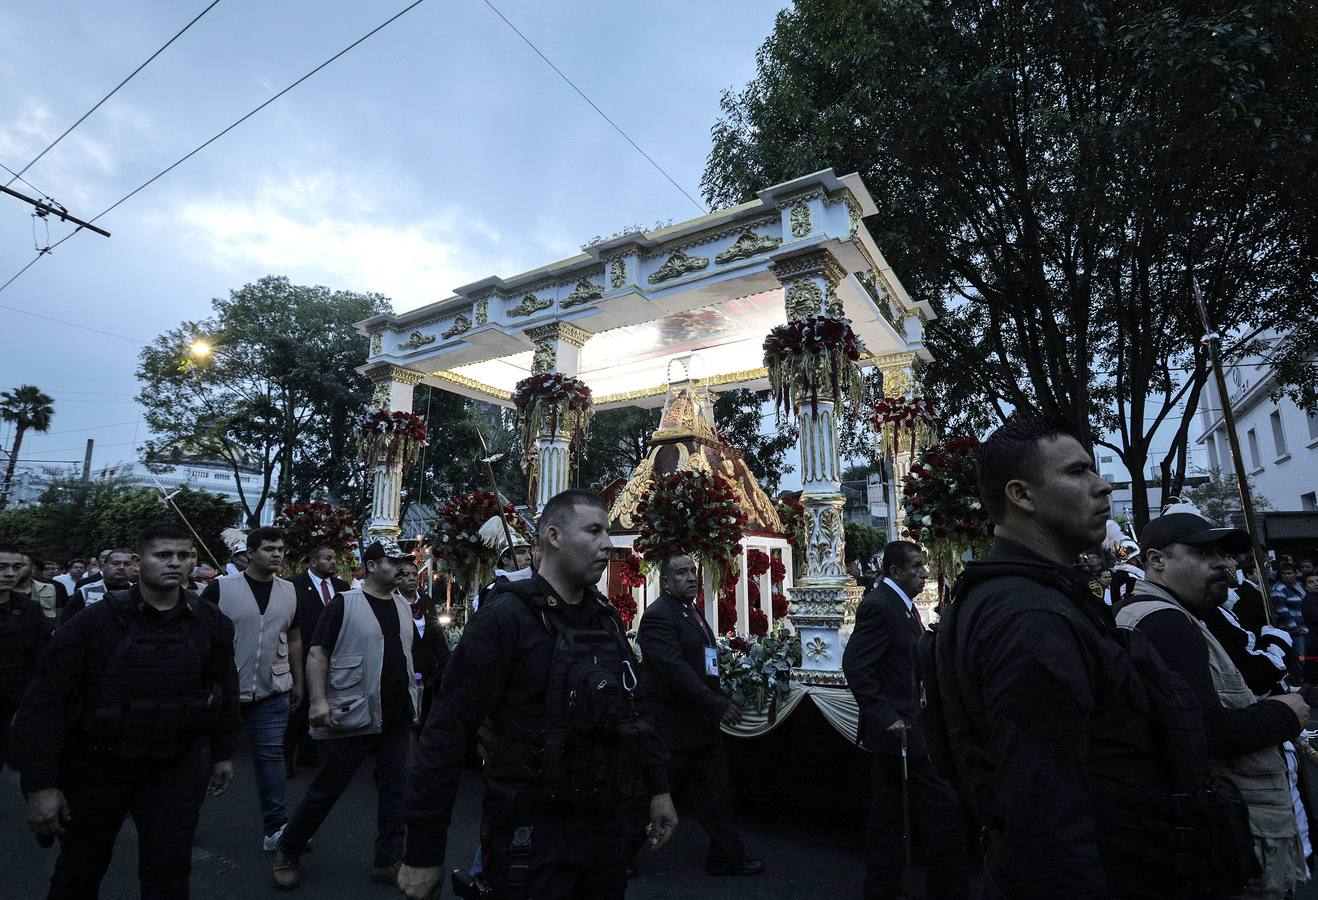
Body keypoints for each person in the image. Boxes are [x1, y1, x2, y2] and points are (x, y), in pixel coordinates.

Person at [929, 417, 1252, 899]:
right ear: (1022, 495)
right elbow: (1047, 818)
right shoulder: (1030, 618)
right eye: (1078, 472)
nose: (1102, 486)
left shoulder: (1042, 598)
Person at [398, 489, 678, 900]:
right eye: (594, 530)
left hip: (603, 834)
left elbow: (633, 709)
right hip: (531, 838)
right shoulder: (505, 619)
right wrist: (423, 853)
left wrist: (659, 788)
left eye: (607, 532)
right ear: (553, 535)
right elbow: (445, 734)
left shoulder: (605, 621)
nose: (607, 543)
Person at [10, 523, 240, 899]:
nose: (175, 563)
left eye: (185, 556)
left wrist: (224, 753)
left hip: (175, 767)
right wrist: (41, 784)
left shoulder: (210, 621)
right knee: (79, 871)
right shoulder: (93, 622)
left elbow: (224, 688)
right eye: (163, 555)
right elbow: (46, 701)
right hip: (98, 766)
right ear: (139, 561)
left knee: (168, 872)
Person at [1115, 510, 1308, 897]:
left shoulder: (1171, 614)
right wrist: (1286, 712)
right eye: (1205, 553)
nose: (1226, 564)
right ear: (1156, 561)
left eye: (1226, 553)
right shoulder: (1164, 623)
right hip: (1227, 837)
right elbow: (1206, 733)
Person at [273, 540, 422, 891]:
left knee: (396, 790)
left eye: (404, 561)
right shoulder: (345, 602)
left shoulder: (402, 605)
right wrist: (318, 701)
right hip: (352, 713)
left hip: (396, 715)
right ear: (370, 566)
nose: (401, 567)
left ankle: (387, 861)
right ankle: (287, 849)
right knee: (328, 787)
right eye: (393, 561)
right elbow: (317, 653)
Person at [844, 540, 968, 900]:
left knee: (890, 817)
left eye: (923, 566)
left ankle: (882, 887)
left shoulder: (901, 605)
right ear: (894, 570)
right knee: (941, 813)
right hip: (901, 733)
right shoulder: (880, 605)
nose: (923, 573)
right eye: (916, 567)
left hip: (909, 728)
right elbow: (856, 665)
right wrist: (887, 717)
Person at [635, 553, 760, 877]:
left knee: (717, 796)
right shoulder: (658, 616)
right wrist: (716, 703)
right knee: (650, 799)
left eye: (693, 571)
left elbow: (706, 663)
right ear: (665, 581)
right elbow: (675, 670)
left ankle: (726, 857)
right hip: (671, 726)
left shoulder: (691, 612)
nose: (691, 577)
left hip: (699, 725)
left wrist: (717, 697)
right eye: (681, 573)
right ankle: (615, 859)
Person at [200, 526, 303, 850]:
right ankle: (181, 820)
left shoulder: (289, 591)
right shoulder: (220, 588)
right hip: (223, 690)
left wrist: (297, 679)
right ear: (249, 554)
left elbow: (296, 637)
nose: (276, 554)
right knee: (202, 758)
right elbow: (198, 636)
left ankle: (276, 828)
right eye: (269, 549)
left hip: (272, 688)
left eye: (281, 549)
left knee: (271, 757)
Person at [286, 544, 350, 773]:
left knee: (324, 699)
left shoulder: (342, 587)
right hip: (302, 649)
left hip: (331, 653)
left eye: (334, 558)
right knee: (300, 704)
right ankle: (286, 756)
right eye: (327, 558)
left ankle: (311, 753)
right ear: (314, 562)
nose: (333, 562)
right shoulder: (295, 585)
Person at [0, 543, 54, 768]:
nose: (10, 573)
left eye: (17, 566)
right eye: (2, 567)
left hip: (12, 700)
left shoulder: (30, 609)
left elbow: (42, 654)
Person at [396, 558, 450, 729]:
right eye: (405, 575)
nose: (411, 578)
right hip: (404, 669)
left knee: (427, 713)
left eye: (414, 574)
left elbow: (437, 635)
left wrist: (446, 664)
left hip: (428, 669)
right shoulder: (392, 602)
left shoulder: (425, 601)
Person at [472, 515, 533, 614]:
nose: (528, 557)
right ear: (505, 559)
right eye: (521, 552)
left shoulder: (536, 582)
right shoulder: (489, 591)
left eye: (528, 552)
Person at [62, 548, 134, 622]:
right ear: (104, 565)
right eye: (115, 563)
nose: (121, 567)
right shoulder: (85, 592)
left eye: (127, 564)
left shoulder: (139, 591)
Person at [15, 552, 65, 621]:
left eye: (20, 565)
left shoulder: (49, 588)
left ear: (32, 567)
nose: (14, 570)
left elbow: (58, 613)